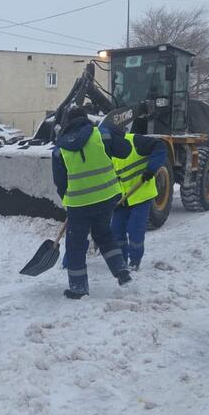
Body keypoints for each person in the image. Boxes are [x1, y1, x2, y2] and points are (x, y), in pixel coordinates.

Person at [52, 107, 133, 299]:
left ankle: (78, 288)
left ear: (66, 124)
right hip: (107, 197)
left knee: (76, 245)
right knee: (104, 234)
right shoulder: (101, 135)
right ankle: (121, 270)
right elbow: (126, 151)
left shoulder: (59, 149)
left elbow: (60, 182)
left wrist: (69, 201)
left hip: (79, 203)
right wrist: (117, 134)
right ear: (85, 119)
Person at [111, 133, 167, 271]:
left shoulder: (135, 141)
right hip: (121, 198)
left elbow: (160, 146)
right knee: (116, 230)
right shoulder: (107, 149)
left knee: (135, 228)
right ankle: (121, 261)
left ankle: (135, 261)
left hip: (141, 195)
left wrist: (151, 169)